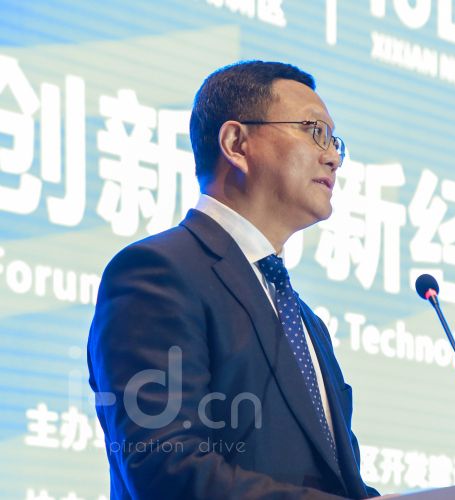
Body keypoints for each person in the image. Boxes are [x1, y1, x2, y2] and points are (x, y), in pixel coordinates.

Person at [88, 60, 380, 499]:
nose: (333, 157)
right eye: (314, 131)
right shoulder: (157, 273)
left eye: (334, 141)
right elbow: (168, 467)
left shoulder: (306, 321)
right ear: (236, 143)